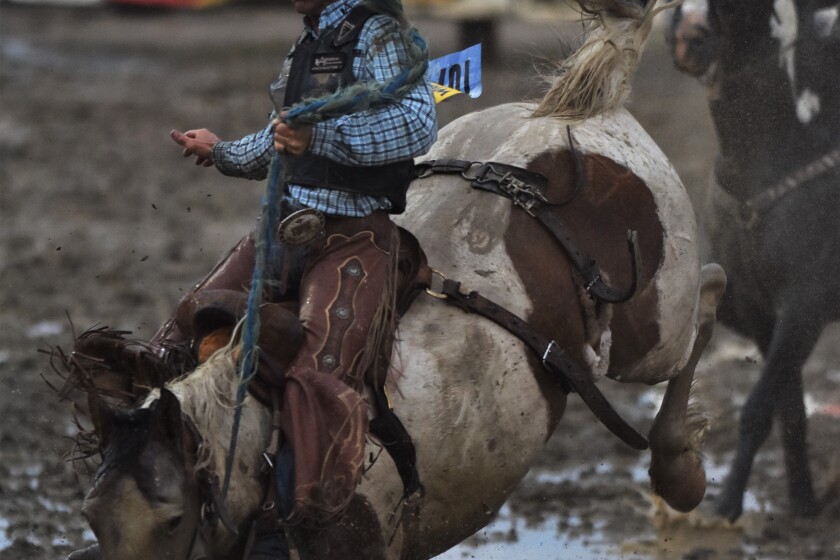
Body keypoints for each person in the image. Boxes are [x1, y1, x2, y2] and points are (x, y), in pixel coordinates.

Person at [67, 1, 435, 558]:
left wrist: (321, 142)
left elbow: (416, 124)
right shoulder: (310, 41)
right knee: (174, 339)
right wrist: (220, 152)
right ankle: (145, 501)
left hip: (357, 235)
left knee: (318, 377)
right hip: (286, 228)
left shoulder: (376, 32)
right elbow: (280, 137)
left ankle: (305, 525)